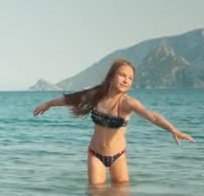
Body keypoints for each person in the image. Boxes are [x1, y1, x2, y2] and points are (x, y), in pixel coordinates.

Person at [33, 59, 195, 185]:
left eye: (130, 78)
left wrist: (172, 130)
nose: (126, 80)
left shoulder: (128, 103)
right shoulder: (96, 95)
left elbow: (151, 116)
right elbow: (71, 99)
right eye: (122, 75)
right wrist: (48, 104)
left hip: (118, 155)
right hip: (95, 154)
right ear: (111, 77)